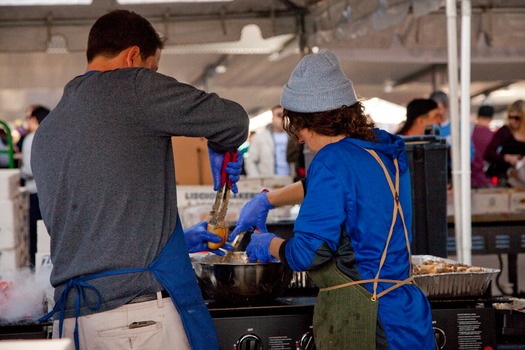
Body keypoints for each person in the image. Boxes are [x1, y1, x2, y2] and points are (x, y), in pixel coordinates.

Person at [31, 10, 249, 350]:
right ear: (133, 56)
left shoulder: (48, 130)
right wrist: (221, 143)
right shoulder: (132, 85)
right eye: (153, 69)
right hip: (136, 321)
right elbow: (233, 120)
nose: (153, 78)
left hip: (73, 322)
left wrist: (174, 240)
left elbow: (96, 220)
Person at [231, 49, 435, 349]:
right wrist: (268, 200)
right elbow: (337, 185)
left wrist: (267, 244)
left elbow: (307, 254)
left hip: (368, 318)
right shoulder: (381, 149)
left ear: (304, 121)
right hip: (407, 314)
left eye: (298, 129)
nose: (301, 140)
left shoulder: (330, 160)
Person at [20, 105, 50, 268]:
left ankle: (35, 267)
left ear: (34, 119)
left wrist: (19, 173)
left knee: (34, 235)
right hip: (48, 193)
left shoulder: (32, 138)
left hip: (34, 192)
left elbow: (29, 169)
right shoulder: (51, 135)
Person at [484, 100, 525, 187]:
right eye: (510, 117)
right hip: (504, 178)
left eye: (516, 118)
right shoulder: (504, 131)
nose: (513, 121)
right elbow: (488, 153)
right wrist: (506, 157)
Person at [244, 105, 291, 177]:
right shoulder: (260, 137)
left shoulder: (293, 137)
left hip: (290, 180)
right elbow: (250, 161)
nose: (282, 118)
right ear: (272, 118)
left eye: (285, 115)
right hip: (269, 182)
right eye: (279, 115)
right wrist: (257, 179)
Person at [471, 105, 495, 188]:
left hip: (467, 177)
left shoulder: (469, 133)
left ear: (478, 116)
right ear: (492, 117)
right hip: (484, 179)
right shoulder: (493, 136)